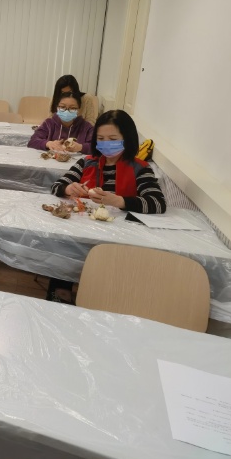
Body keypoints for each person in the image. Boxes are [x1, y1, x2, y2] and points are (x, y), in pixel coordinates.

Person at [47, 110, 166, 303]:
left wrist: (118, 201)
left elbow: (157, 203)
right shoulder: (86, 162)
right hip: (79, 236)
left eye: (113, 139)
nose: (106, 144)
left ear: (127, 139)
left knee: (106, 285)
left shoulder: (140, 168)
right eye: (101, 139)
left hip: (119, 241)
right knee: (62, 249)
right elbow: (56, 186)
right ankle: (61, 293)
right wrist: (68, 188)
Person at [27, 91, 94, 154]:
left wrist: (81, 147)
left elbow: (96, 147)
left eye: (72, 108)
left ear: (78, 110)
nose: (67, 111)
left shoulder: (86, 127)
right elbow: (32, 141)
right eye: (62, 107)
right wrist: (48, 144)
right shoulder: (49, 124)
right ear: (57, 108)